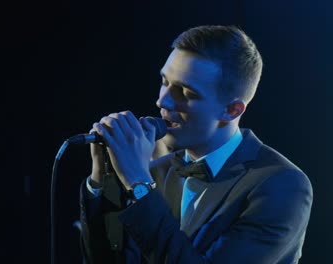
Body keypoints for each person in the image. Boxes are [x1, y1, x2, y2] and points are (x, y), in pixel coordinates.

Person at [79, 25, 313, 264]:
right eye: (164, 81)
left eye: (185, 92)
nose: (162, 100)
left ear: (231, 110)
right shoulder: (156, 172)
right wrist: (101, 181)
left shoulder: (281, 185)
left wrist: (139, 184)